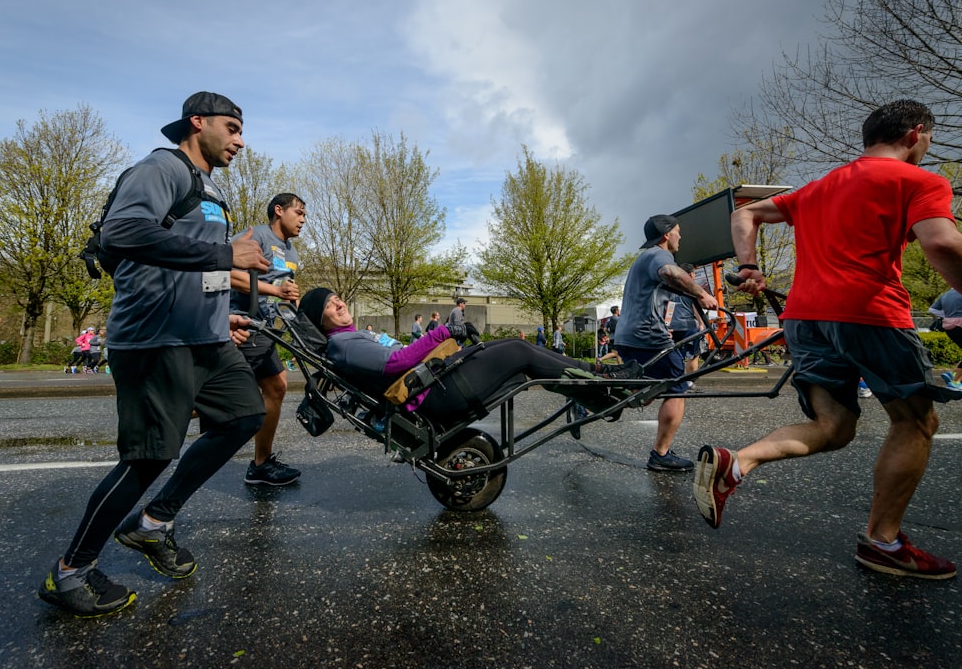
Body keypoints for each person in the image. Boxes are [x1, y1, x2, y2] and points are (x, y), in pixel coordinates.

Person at [694, 100, 962, 580]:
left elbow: (745, 215)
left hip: (805, 319)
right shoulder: (919, 181)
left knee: (835, 426)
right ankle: (883, 543)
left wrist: (748, 267)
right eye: (928, 140)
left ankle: (736, 463)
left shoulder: (819, 186)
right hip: (870, 314)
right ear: (916, 133)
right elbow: (943, 243)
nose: (927, 148)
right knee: (915, 422)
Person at [37, 91, 271, 618]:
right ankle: (71, 571)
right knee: (148, 457)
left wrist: (218, 309)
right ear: (197, 122)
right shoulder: (161, 168)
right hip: (154, 338)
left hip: (205, 336)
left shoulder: (211, 188)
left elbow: (196, 264)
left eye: (241, 130)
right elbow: (124, 232)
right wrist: (224, 253)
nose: (240, 140)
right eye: (231, 127)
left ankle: (153, 523)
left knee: (244, 416)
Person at [297, 288, 643, 424]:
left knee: (514, 350)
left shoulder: (350, 337)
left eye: (339, 298)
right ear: (319, 317)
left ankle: (597, 378)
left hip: (433, 383)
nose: (340, 303)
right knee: (520, 350)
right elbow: (396, 363)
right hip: (432, 394)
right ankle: (599, 380)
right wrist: (445, 332)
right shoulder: (343, 344)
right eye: (330, 303)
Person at [617, 216, 718, 472]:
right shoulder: (659, 256)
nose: (680, 237)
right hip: (647, 336)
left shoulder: (643, 258)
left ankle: (585, 404)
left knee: (649, 390)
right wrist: (702, 293)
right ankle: (660, 455)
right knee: (677, 387)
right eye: (678, 232)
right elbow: (670, 273)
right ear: (666, 235)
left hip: (629, 335)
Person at [229, 192, 307, 487]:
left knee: (274, 388)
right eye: (298, 213)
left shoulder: (292, 253)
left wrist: (300, 324)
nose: (302, 220)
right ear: (278, 210)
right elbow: (225, 272)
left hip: (265, 329)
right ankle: (162, 419)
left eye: (304, 216)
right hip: (239, 322)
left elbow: (287, 292)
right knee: (267, 389)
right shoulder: (255, 237)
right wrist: (275, 292)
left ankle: (261, 463)